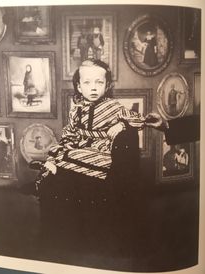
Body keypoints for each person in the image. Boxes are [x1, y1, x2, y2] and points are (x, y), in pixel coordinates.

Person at [32, 59, 144, 257]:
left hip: (100, 149)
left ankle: (57, 167)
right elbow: (70, 133)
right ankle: (51, 169)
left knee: (75, 156)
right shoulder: (76, 108)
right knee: (64, 150)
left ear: (107, 85)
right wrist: (58, 151)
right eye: (87, 83)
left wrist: (123, 125)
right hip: (79, 145)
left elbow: (138, 118)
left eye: (99, 83)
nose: (93, 88)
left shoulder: (113, 106)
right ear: (78, 86)